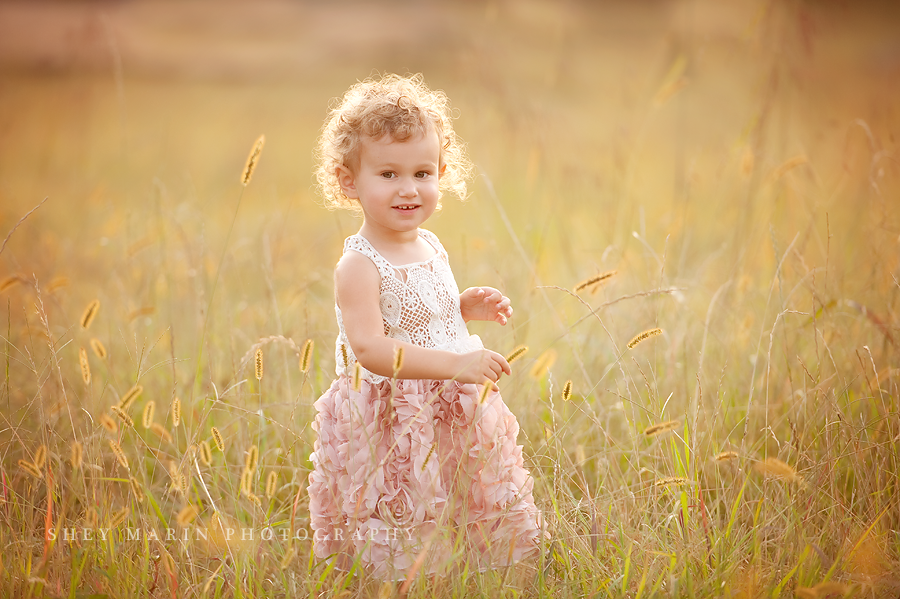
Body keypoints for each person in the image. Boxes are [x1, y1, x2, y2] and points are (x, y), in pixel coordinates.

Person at [307, 73, 544, 581]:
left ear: (441, 172)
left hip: (449, 400)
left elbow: (415, 316)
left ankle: (476, 577)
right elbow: (371, 347)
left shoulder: (430, 244)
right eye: (388, 174)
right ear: (349, 180)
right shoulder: (358, 265)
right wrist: (457, 363)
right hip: (394, 415)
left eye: (423, 172)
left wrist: (461, 308)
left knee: (461, 493)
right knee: (406, 505)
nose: (409, 189)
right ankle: (406, 581)